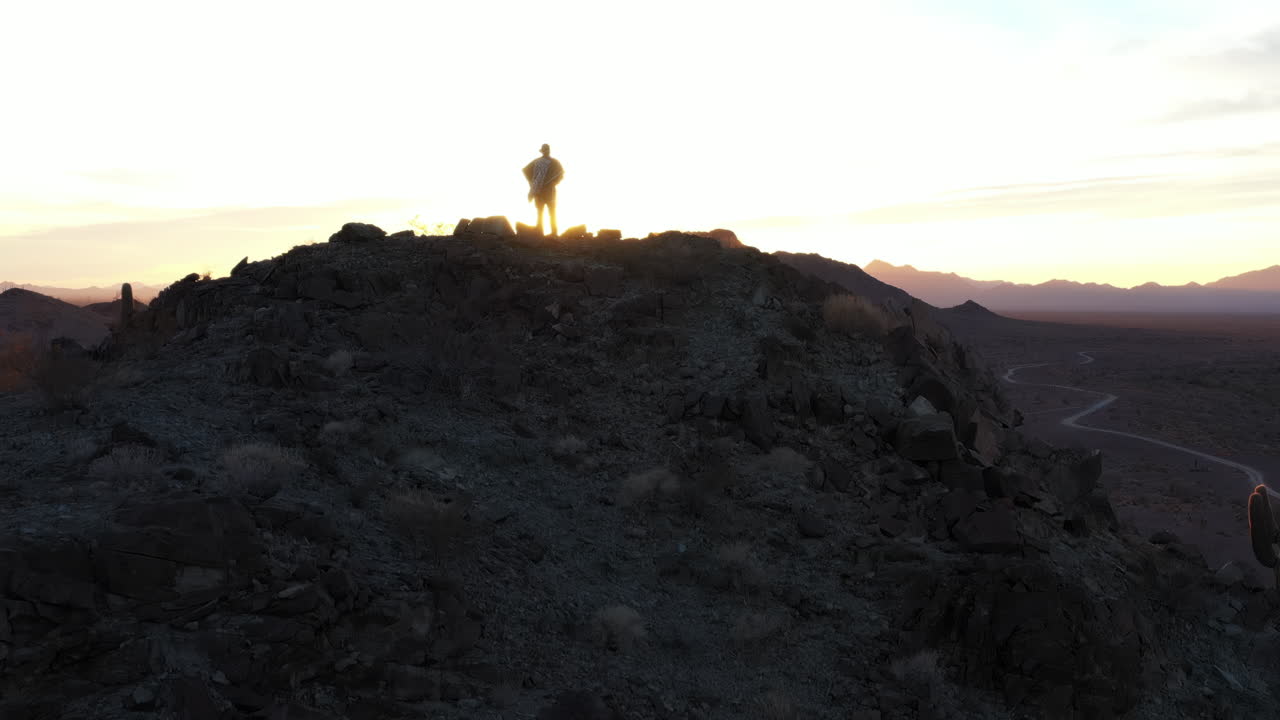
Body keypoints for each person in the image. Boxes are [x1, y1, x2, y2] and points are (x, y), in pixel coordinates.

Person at [523, 144, 564, 236]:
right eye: (545, 150)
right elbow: (526, 171)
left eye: (546, 150)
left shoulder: (553, 162)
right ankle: (540, 231)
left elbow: (560, 174)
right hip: (541, 191)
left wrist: (553, 182)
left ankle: (553, 232)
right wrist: (533, 183)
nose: (546, 151)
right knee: (541, 211)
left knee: (551, 211)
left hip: (548, 190)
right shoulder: (540, 162)